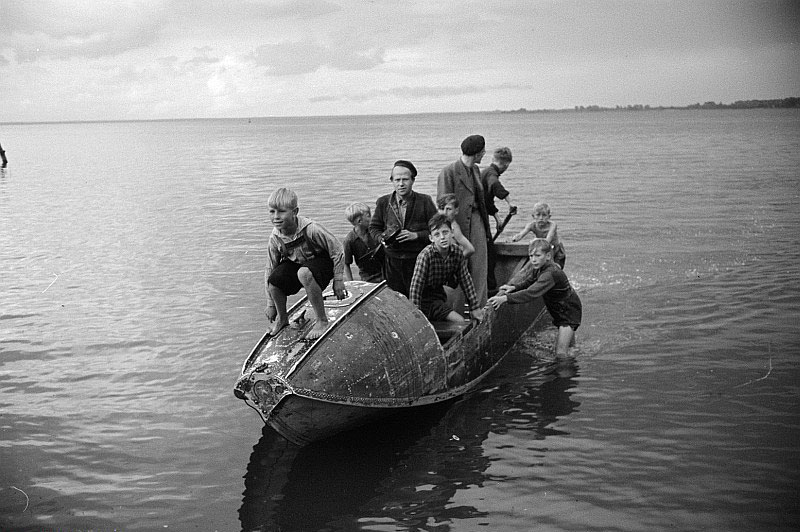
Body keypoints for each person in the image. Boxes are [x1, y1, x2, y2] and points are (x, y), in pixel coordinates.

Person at [264, 187, 346, 341]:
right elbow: (270, 268)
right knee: (273, 280)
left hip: (321, 266)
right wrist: (270, 303)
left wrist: (338, 280)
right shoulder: (275, 238)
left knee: (304, 273)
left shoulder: (311, 229)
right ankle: (283, 319)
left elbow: (337, 250)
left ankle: (322, 320)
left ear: (295, 212)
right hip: (298, 266)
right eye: (272, 212)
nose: (276, 217)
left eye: (281, 212)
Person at [487, 238, 581, 357]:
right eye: (531, 256)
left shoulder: (550, 273)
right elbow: (530, 281)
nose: (533, 260)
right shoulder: (540, 268)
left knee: (560, 352)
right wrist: (514, 287)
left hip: (568, 312)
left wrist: (505, 298)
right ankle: (574, 362)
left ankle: (565, 374)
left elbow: (531, 293)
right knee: (570, 347)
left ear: (548, 256)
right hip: (560, 309)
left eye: (537, 255)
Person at [437, 134, 491, 308]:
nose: (484, 154)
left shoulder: (475, 170)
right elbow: (443, 206)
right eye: (482, 151)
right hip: (456, 226)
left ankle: (480, 308)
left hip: (477, 222)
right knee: (457, 268)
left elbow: (480, 199)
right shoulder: (449, 172)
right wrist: (450, 229)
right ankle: (455, 312)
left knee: (480, 267)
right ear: (477, 153)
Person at [369, 160, 437, 297]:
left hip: (419, 261)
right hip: (392, 263)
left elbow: (436, 229)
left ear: (413, 180)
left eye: (405, 179)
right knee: (396, 300)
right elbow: (374, 228)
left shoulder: (425, 201)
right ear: (392, 181)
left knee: (421, 299)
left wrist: (416, 235)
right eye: (397, 180)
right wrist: (382, 239)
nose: (401, 184)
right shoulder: (383, 202)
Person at [409, 214, 485, 323]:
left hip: (439, 297)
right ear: (431, 238)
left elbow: (466, 280)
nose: (442, 238)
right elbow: (415, 288)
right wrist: (416, 316)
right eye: (437, 235)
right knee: (460, 321)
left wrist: (475, 307)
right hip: (423, 300)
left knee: (453, 304)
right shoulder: (426, 256)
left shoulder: (457, 252)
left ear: (452, 232)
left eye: (445, 232)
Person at [512, 202, 567, 269]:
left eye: (544, 215)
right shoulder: (531, 225)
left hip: (556, 249)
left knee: (556, 268)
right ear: (533, 216)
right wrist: (515, 239)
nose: (541, 218)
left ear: (549, 217)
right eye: (538, 215)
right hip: (543, 249)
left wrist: (534, 241)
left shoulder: (552, 225)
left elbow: (548, 240)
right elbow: (521, 235)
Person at [342, 202, 384, 283]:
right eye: (368, 216)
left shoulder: (375, 232)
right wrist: (351, 283)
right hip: (367, 278)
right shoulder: (350, 240)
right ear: (359, 221)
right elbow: (346, 264)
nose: (371, 218)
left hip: (385, 273)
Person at [481, 147, 516, 231]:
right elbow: (495, 184)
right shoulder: (491, 174)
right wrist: (510, 203)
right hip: (478, 216)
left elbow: (487, 200)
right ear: (506, 165)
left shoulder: (486, 172)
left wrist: (497, 219)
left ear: (493, 159)